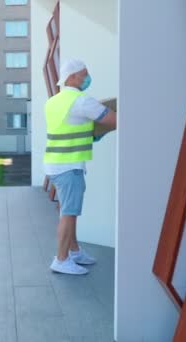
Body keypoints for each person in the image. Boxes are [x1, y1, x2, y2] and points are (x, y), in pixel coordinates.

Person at [45, 59, 117, 275]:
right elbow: (115, 119)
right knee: (69, 213)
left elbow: (70, 126)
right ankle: (61, 259)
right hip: (69, 166)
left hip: (55, 164)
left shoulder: (54, 101)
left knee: (70, 211)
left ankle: (74, 251)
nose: (87, 78)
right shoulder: (81, 101)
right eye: (84, 74)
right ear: (72, 77)